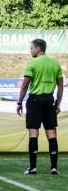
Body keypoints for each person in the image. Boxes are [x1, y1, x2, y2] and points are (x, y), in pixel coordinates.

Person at [17, 39, 63, 175]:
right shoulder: (55, 64)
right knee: (51, 133)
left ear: (38, 48)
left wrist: (19, 102)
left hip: (35, 101)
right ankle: (54, 167)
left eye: (31, 48)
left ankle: (33, 168)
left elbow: (25, 85)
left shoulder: (32, 63)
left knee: (33, 133)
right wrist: (58, 104)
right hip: (49, 100)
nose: (30, 50)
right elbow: (60, 86)